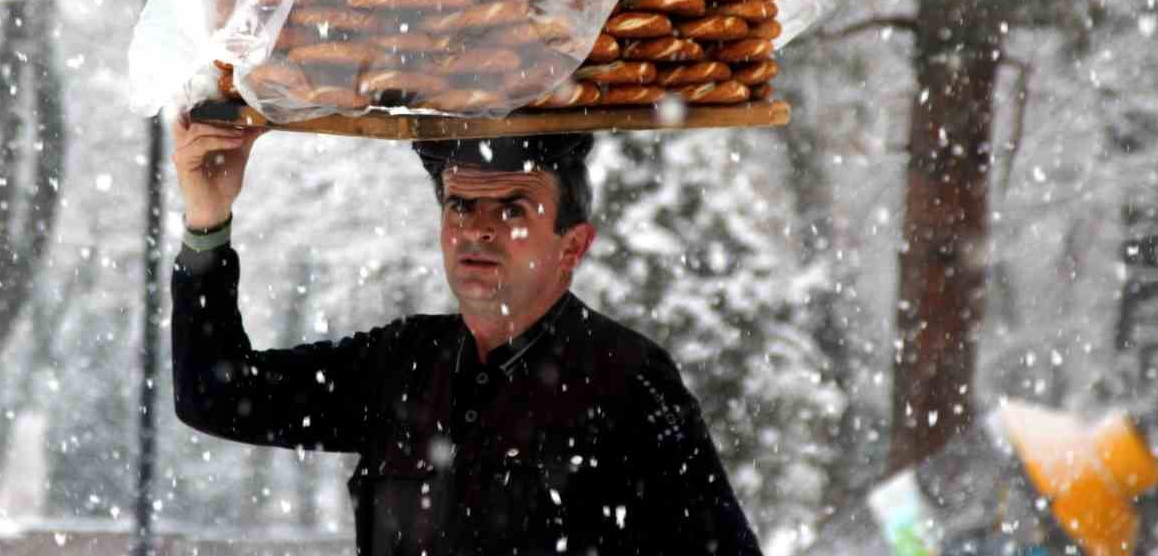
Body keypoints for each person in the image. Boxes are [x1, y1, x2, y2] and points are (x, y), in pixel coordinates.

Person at [171, 116, 763, 556]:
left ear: (573, 246)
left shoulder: (625, 378)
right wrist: (207, 220)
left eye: (512, 210)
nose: (477, 229)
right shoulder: (401, 363)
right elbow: (216, 394)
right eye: (459, 205)